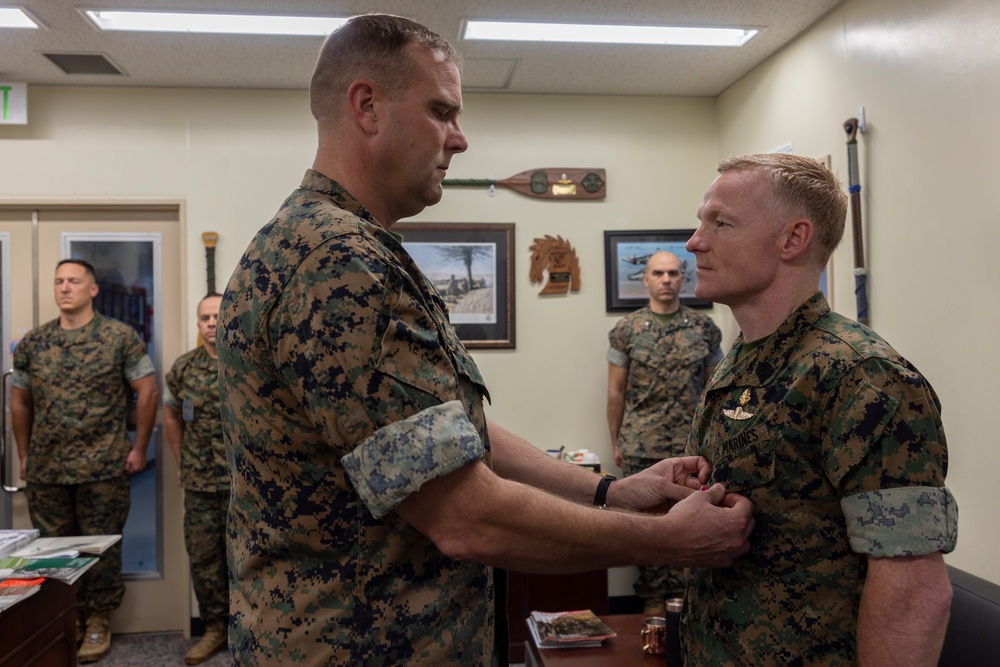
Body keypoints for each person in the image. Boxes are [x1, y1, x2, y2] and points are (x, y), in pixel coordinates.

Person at [217, 14, 754, 667]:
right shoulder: (337, 262)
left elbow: (451, 431)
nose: (460, 139)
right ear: (367, 107)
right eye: (442, 111)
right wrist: (665, 540)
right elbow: (466, 515)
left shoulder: (344, 245)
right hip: (359, 645)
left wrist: (609, 490)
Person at [682, 153, 957, 666]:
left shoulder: (861, 375)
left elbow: (916, 592)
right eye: (701, 222)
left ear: (793, 239)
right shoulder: (740, 360)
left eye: (721, 222)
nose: (695, 241)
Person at [11, 258, 158, 664]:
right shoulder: (34, 344)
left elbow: (147, 392)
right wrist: (24, 454)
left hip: (104, 467)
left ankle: (98, 620)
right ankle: (64, 620)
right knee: (53, 552)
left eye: (74, 281)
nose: (64, 287)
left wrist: (139, 448)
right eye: (59, 281)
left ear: (92, 289)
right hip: (47, 469)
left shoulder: (118, 337)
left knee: (101, 549)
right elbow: (19, 402)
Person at [607, 250, 723, 615]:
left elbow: (717, 389)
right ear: (646, 280)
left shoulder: (705, 329)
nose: (666, 279)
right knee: (646, 527)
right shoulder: (626, 331)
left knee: (693, 525)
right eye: (659, 273)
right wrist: (616, 440)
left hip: (693, 450)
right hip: (643, 444)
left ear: (683, 278)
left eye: (673, 273)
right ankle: (654, 606)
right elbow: (616, 391)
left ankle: (688, 609)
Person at [163, 292, 228, 665]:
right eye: (204, 317)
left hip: (247, 486)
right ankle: (215, 629)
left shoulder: (250, 362)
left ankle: (252, 630)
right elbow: (171, 413)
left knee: (249, 559)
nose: (211, 323)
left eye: (218, 316)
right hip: (200, 484)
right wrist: (180, 459)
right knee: (205, 560)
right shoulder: (184, 368)